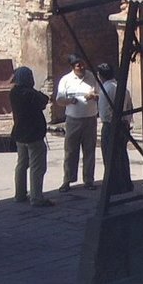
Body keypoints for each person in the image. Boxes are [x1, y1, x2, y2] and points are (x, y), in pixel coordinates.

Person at [9, 66, 53, 207]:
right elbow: (44, 100)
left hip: (20, 134)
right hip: (33, 135)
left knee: (22, 164)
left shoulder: (14, 92)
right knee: (37, 167)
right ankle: (36, 197)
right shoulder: (30, 93)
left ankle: (20, 194)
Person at [54, 54, 98, 192]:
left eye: (82, 64)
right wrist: (69, 101)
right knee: (71, 151)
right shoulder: (66, 80)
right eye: (78, 65)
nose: (82, 67)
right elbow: (59, 100)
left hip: (90, 118)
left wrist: (93, 96)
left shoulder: (91, 77)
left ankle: (89, 180)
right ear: (73, 67)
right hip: (73, 119)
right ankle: (67, 179)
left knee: (89, 150)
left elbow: (101, 94)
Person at [95, 62, 134, 195]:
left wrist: (111, 122)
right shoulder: (122, 87)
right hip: (123, 124)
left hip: (111, 125)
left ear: (100, 75)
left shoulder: (106, 89)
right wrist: (127, 122)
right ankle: (126, 183)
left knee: (110, 156)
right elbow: (129, 107)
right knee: (122, 155)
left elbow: (104, 112)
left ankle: (115, 186)